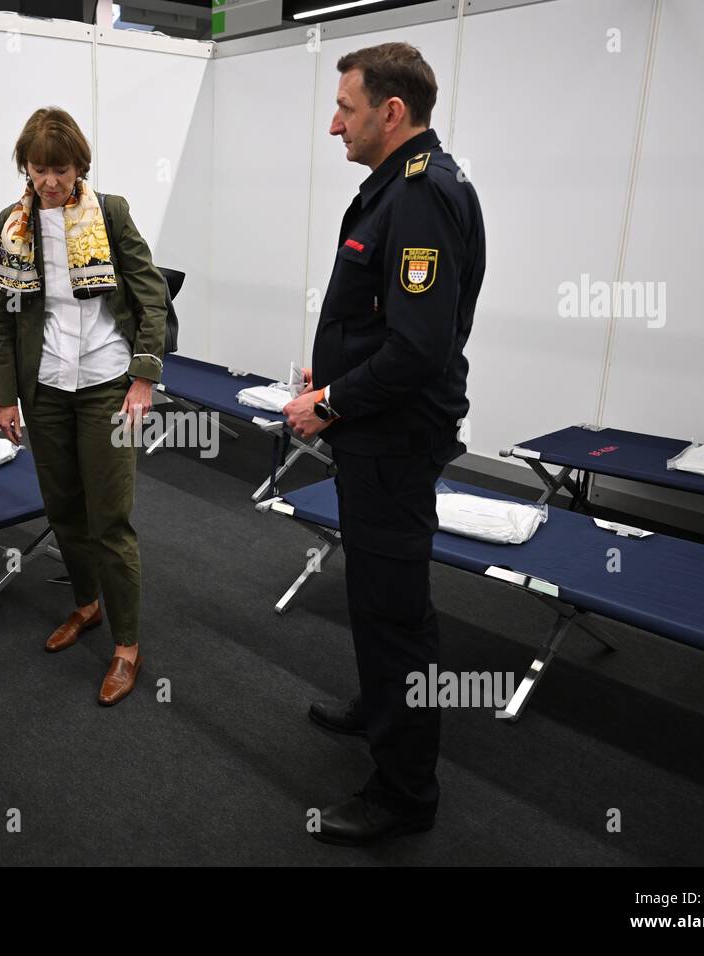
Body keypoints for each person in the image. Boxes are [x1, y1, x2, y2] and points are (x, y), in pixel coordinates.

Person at [284, 42, 486, 844]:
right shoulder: (406, 187)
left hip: (393, 437)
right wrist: (331, 362)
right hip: (379, 430)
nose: (335, 125)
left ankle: (406, 794)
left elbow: (418, 350)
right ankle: (379, 708)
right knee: (372, 594)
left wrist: (328, 400)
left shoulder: (422, 195)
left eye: (346, 108)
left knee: (395, 612)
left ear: (391, 113)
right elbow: (387, 325)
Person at [0, 107, 167, 706]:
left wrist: (144, 378)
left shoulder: (109, 213)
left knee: (109, 519)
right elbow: (2, 317)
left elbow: (151, 295)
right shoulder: (11, 225)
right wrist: (5, 396)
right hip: (45, 390)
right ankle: (87, 606)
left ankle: (127, 645)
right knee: (64, 509)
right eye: (39, 170)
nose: (50, 183)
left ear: (79, 166)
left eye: (60, 170)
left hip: (106, 384)